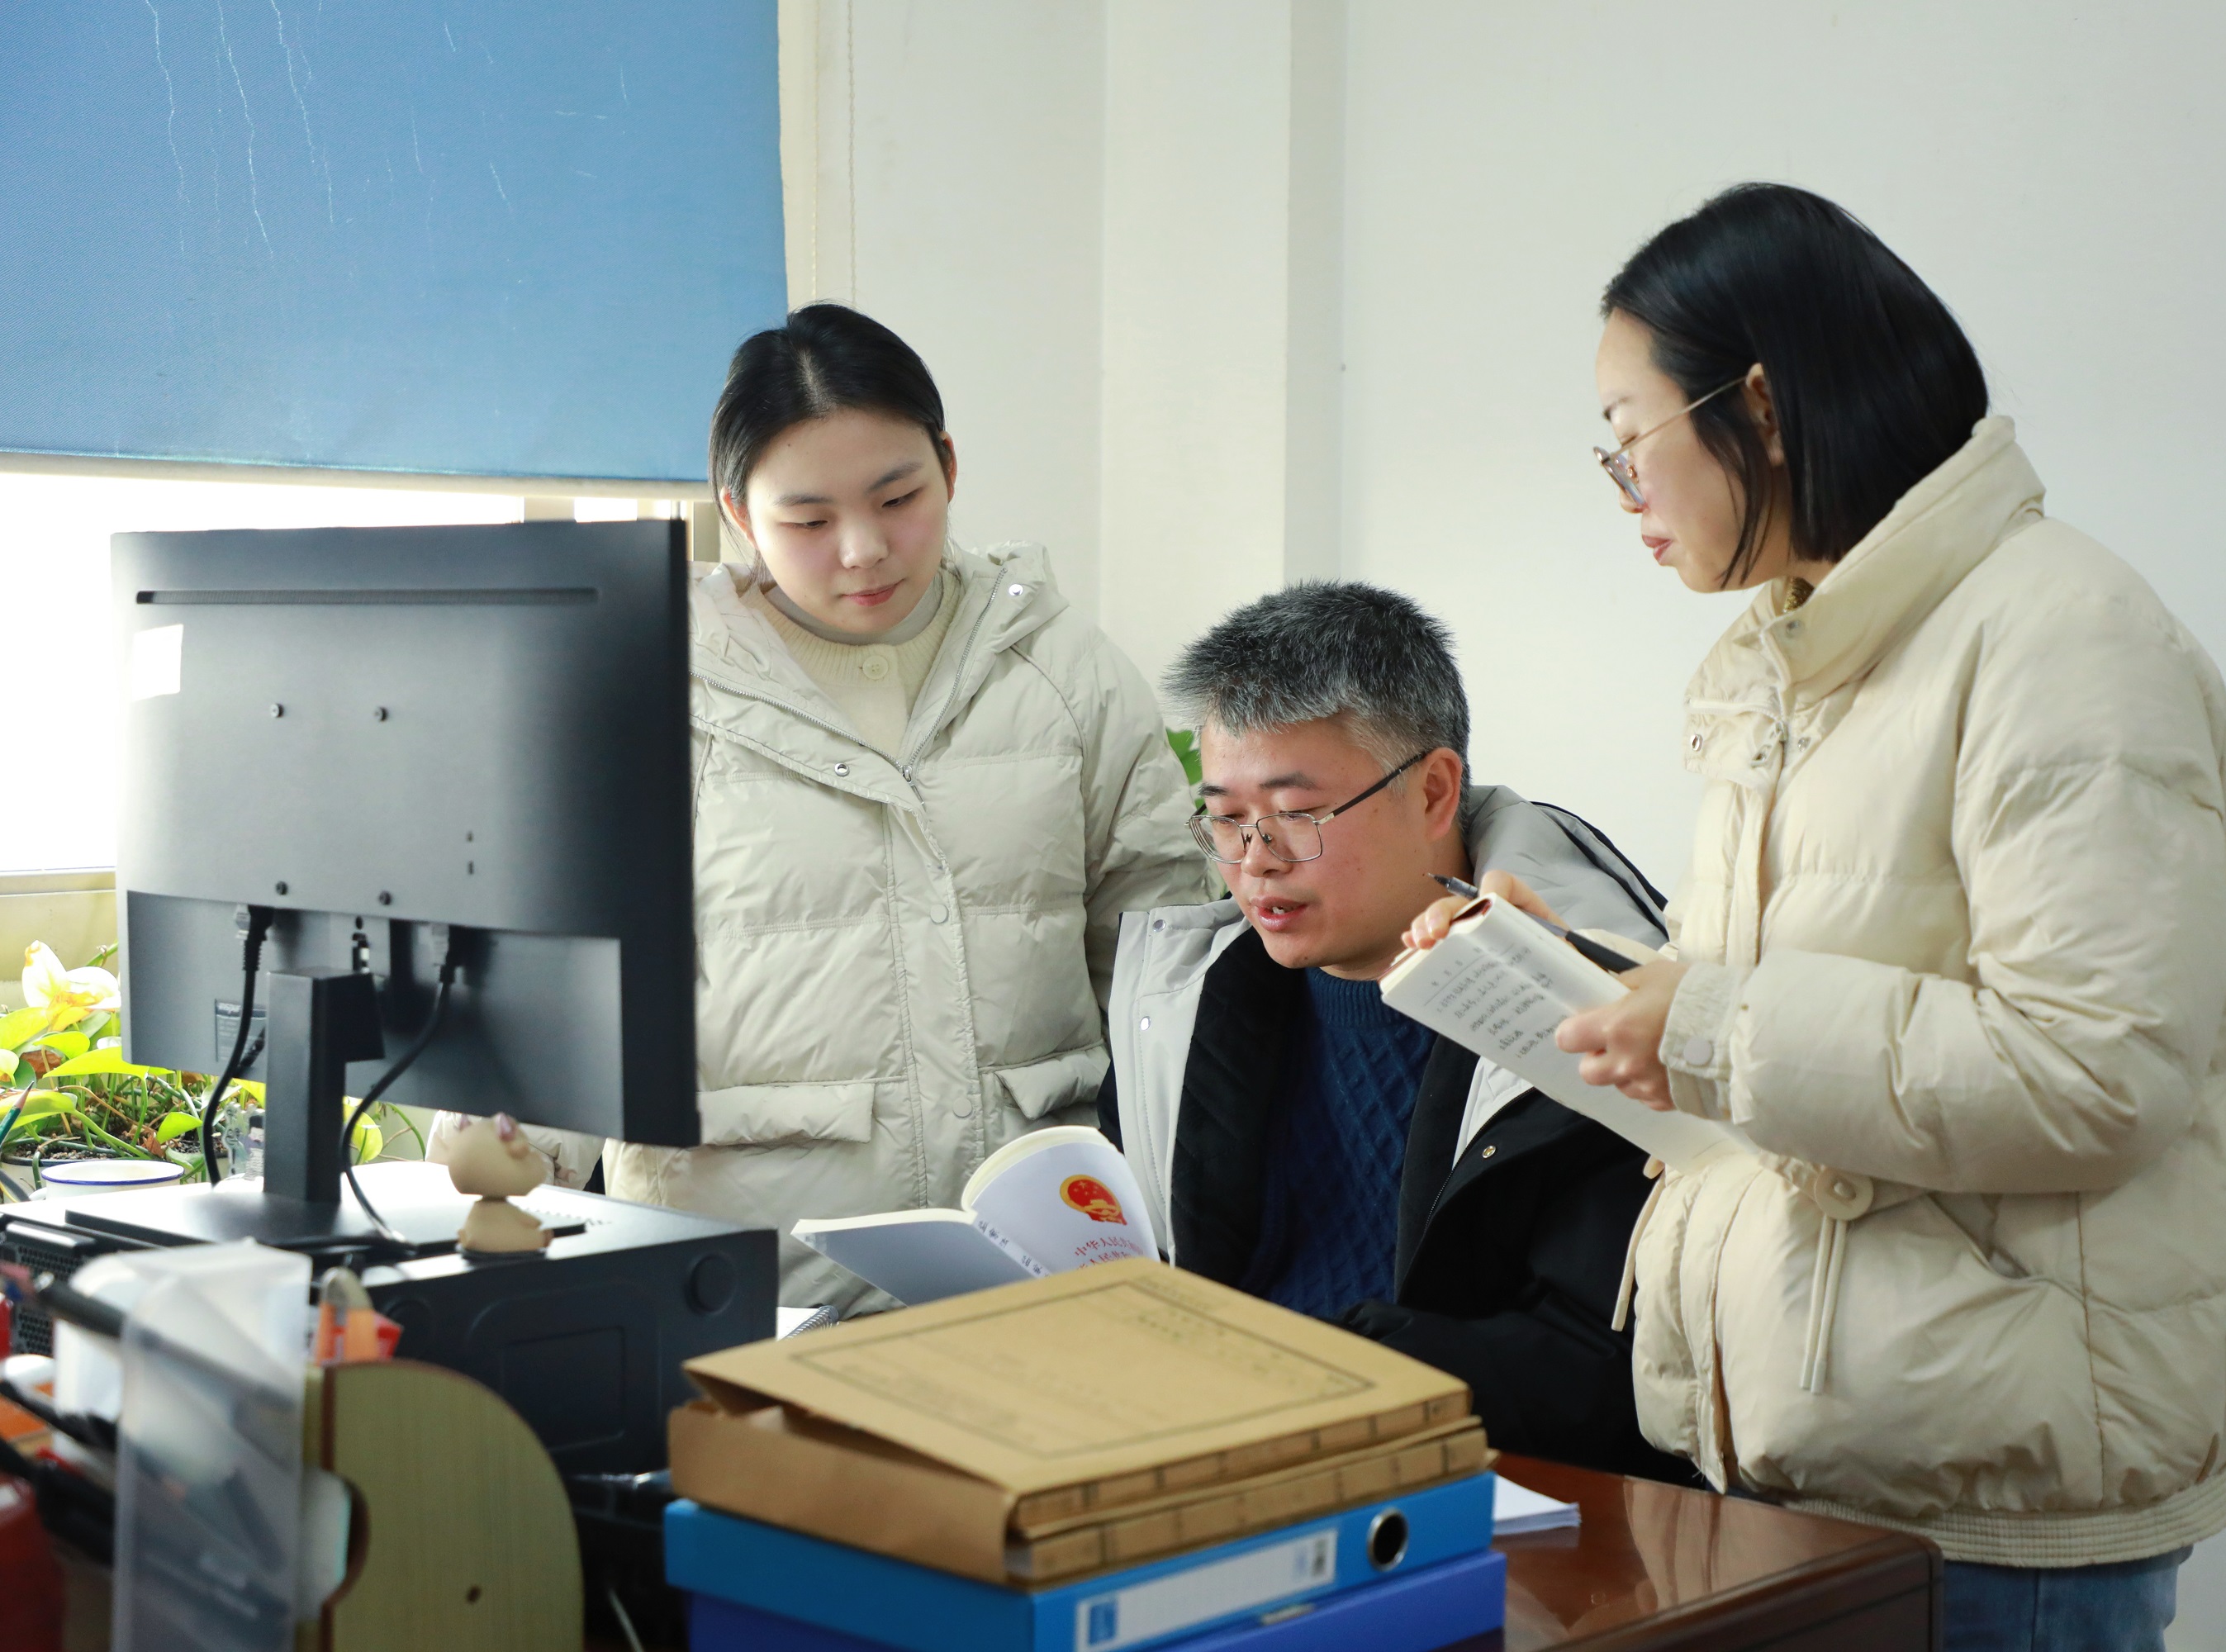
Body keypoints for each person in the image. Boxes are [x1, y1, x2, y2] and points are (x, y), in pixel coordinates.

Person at [1407, 184, 2226, 1651]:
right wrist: (1593, 979)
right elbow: (1819, 1002)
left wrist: (1702, 1022)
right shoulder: (1803, 655)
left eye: (1630, 438)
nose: (1623, 490)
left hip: (1998, 1500)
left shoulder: (2058, 640)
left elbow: (2096, 1070)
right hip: (1836, 1459)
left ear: (1760, 407)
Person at [446, 303, 1204, 1309]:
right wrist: (515, 1138)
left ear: (948, 464)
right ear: (737, 511)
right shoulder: (651, 688)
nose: (864, 549)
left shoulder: (1064, 672)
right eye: (808, 521)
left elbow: (1164, 951)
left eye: (899, 497)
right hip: (751, 1280)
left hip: (1033, 1270)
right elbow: (568, 971)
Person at [1099, 582, 1697, 1483]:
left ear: (1433, 791)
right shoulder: (1181, 1000)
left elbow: (1604, 1368)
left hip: (1485, 1489)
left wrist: (1329, 1371)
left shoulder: (1598, 997)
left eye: (1297, 813)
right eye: (1225, 817)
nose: (1256, 859)